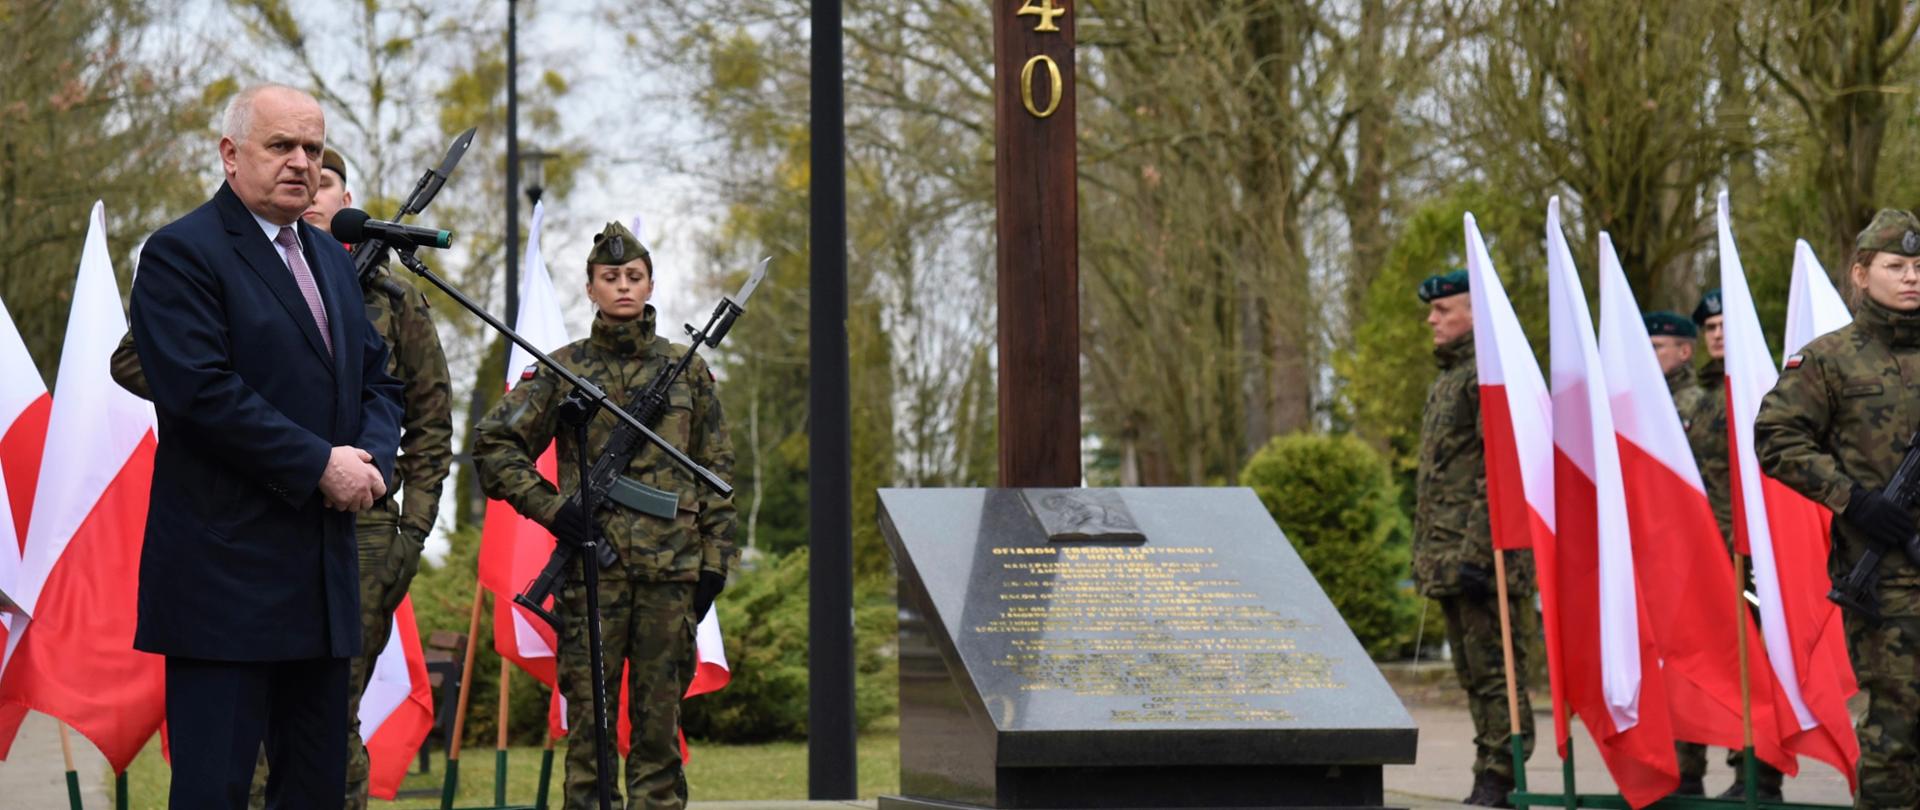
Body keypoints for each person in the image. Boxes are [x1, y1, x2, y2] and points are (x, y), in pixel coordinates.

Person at [111, 144, 452, 810]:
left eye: (314, 151)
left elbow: (382, 382)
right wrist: (318, 461)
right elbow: (201, 389)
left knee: (315, 784)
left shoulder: (330, 260)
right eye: (281, 146)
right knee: (219, 787)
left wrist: (373, 467)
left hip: (326, 567)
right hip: (227, 574)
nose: (301, 163)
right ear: (231, 156)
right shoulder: (184, 253)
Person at [475, 221, 736, 810]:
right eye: (610, 277)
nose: (623, 287)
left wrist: (715, 563)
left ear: (650, 285)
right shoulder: (563, 369)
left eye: (634, 277)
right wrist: (553, 509)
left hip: (671, 579)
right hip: (594, 578)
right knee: (590, 738)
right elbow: (493, 445)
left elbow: (717, 472)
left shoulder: (687, 371)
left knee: (658, 738)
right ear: (589, 288)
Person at [1755, 209, 1920, 809]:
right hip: (1887, 581)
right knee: (1894, 736)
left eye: (1919, 266)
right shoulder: (1829, 358)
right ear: (1860, 273)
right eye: (1896, 266)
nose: (1911, 278)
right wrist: (1855, 500)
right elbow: (1775, 437)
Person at [1411, 269, 1535, 808]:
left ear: (1474, 315)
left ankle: (1500, 776)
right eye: (1433, 312)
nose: (1432, 321)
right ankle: (1487, 769)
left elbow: (1500, 470)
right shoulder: (1450, 380)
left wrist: (1479, 555)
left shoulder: (1489, 376)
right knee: (1470, 672)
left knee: (1495, 674)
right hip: (1448, 558)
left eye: (1444, 311)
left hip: (1483, 559)